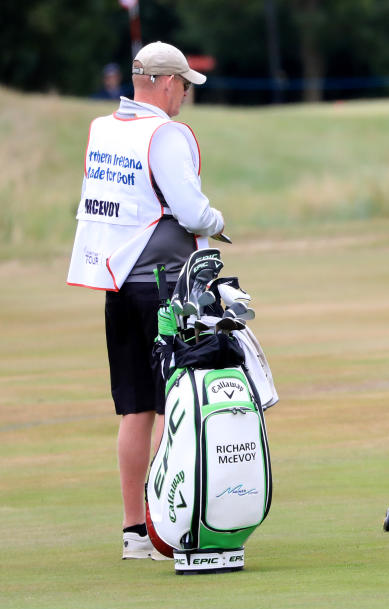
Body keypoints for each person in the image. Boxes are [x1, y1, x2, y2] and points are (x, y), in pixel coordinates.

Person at [66, 41, 226, 559]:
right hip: (165, 287)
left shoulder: (104, 129)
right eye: (182, 84)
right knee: (175, 404)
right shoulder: (165, 133)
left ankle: (136, 531)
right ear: (161, 82)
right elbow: (192, 211)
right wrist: (219, 222)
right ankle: (165, 528)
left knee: (135, 409)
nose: (184, 95)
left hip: (118, 283)